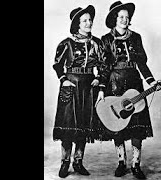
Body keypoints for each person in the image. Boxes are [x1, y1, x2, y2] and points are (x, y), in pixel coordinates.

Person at [95, 1, 161, 179]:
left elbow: (142, 63)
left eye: (127, 17)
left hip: (134, 85)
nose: (125, 20)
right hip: (114, 85)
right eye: (121, 17)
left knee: (137, 126)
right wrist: (102, 89)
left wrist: (151, 81)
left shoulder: (136, 37)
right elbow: (104, 67)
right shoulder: (106, 40)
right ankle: (121, 162)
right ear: (114, 19)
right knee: (117, 125)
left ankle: (136, 164)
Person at [52, 5, 105, 178]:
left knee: (83, 125)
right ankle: (65, 162)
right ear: (77, 24)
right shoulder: (66, 43)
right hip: (71, 85)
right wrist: (64, 80)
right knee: (69, 126)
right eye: (85, 21)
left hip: (89, 87)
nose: (89, 23)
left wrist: (99, 79)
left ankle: (78, 161)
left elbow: (104, 66)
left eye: (90, 20)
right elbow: (58, 65)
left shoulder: (97, 43)